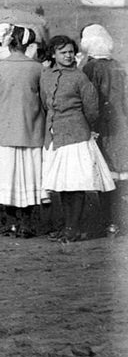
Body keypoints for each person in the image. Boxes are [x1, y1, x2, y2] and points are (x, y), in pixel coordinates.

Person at [40, 35, 115, 242]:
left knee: (76, 183)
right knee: (63, 184)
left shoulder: (80, 78)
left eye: (71, 52)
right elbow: (45, 104)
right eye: (63, 52)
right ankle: (68, 227)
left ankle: (72, 229)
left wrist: (85, 127)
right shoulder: (46, 75)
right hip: (55, 136)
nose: (68, 56)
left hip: (76, 136)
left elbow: (92, 109)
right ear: (53, 54)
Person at [0, 24, 46, 238]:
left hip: (3, 131)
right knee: (29, 177)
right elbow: (44, 101)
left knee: (6, 179)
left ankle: (11, 222)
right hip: (31, 130)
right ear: (28, 45)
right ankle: (26, 223)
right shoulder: (38, 68)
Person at [81, 23, 128, 235]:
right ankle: (119, 220)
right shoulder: (118, 66)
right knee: (120, 173)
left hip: (101, 125)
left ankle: (108, 220)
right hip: (121, 122)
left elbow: (89, 101)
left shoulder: (90, 68)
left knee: (104, 173)